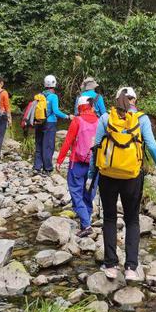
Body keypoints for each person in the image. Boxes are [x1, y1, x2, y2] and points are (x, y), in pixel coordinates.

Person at [89, 87, 156, 281]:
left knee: (109, 218)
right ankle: (131, 268)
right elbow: (152, 145)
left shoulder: (106, 118)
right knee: (132, 219)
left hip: (108, 175)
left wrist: (91, 174)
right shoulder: (141, 119)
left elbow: (96, 148)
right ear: (134, 100)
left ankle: (111, 265)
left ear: (116, 100)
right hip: (132, 176)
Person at [56, 95, 99, 237]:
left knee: (76, 192)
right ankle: (86, 221)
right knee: (88, 194)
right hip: (95, 164)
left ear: (79, 107)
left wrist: (59, 160)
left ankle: (86, 225)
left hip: (77, 163)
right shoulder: (100, 121)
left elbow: (68, 141)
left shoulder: (77, 120)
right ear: (91, 107)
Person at [33, 75, 73, 174]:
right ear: (54, 84)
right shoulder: (53, 96)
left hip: (39, 122)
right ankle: (47, 168)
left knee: (39, 144)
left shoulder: (39, 95)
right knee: (48, 146)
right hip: (49, 123)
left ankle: (37, 167)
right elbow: (55, 111)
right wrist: (67, 116)